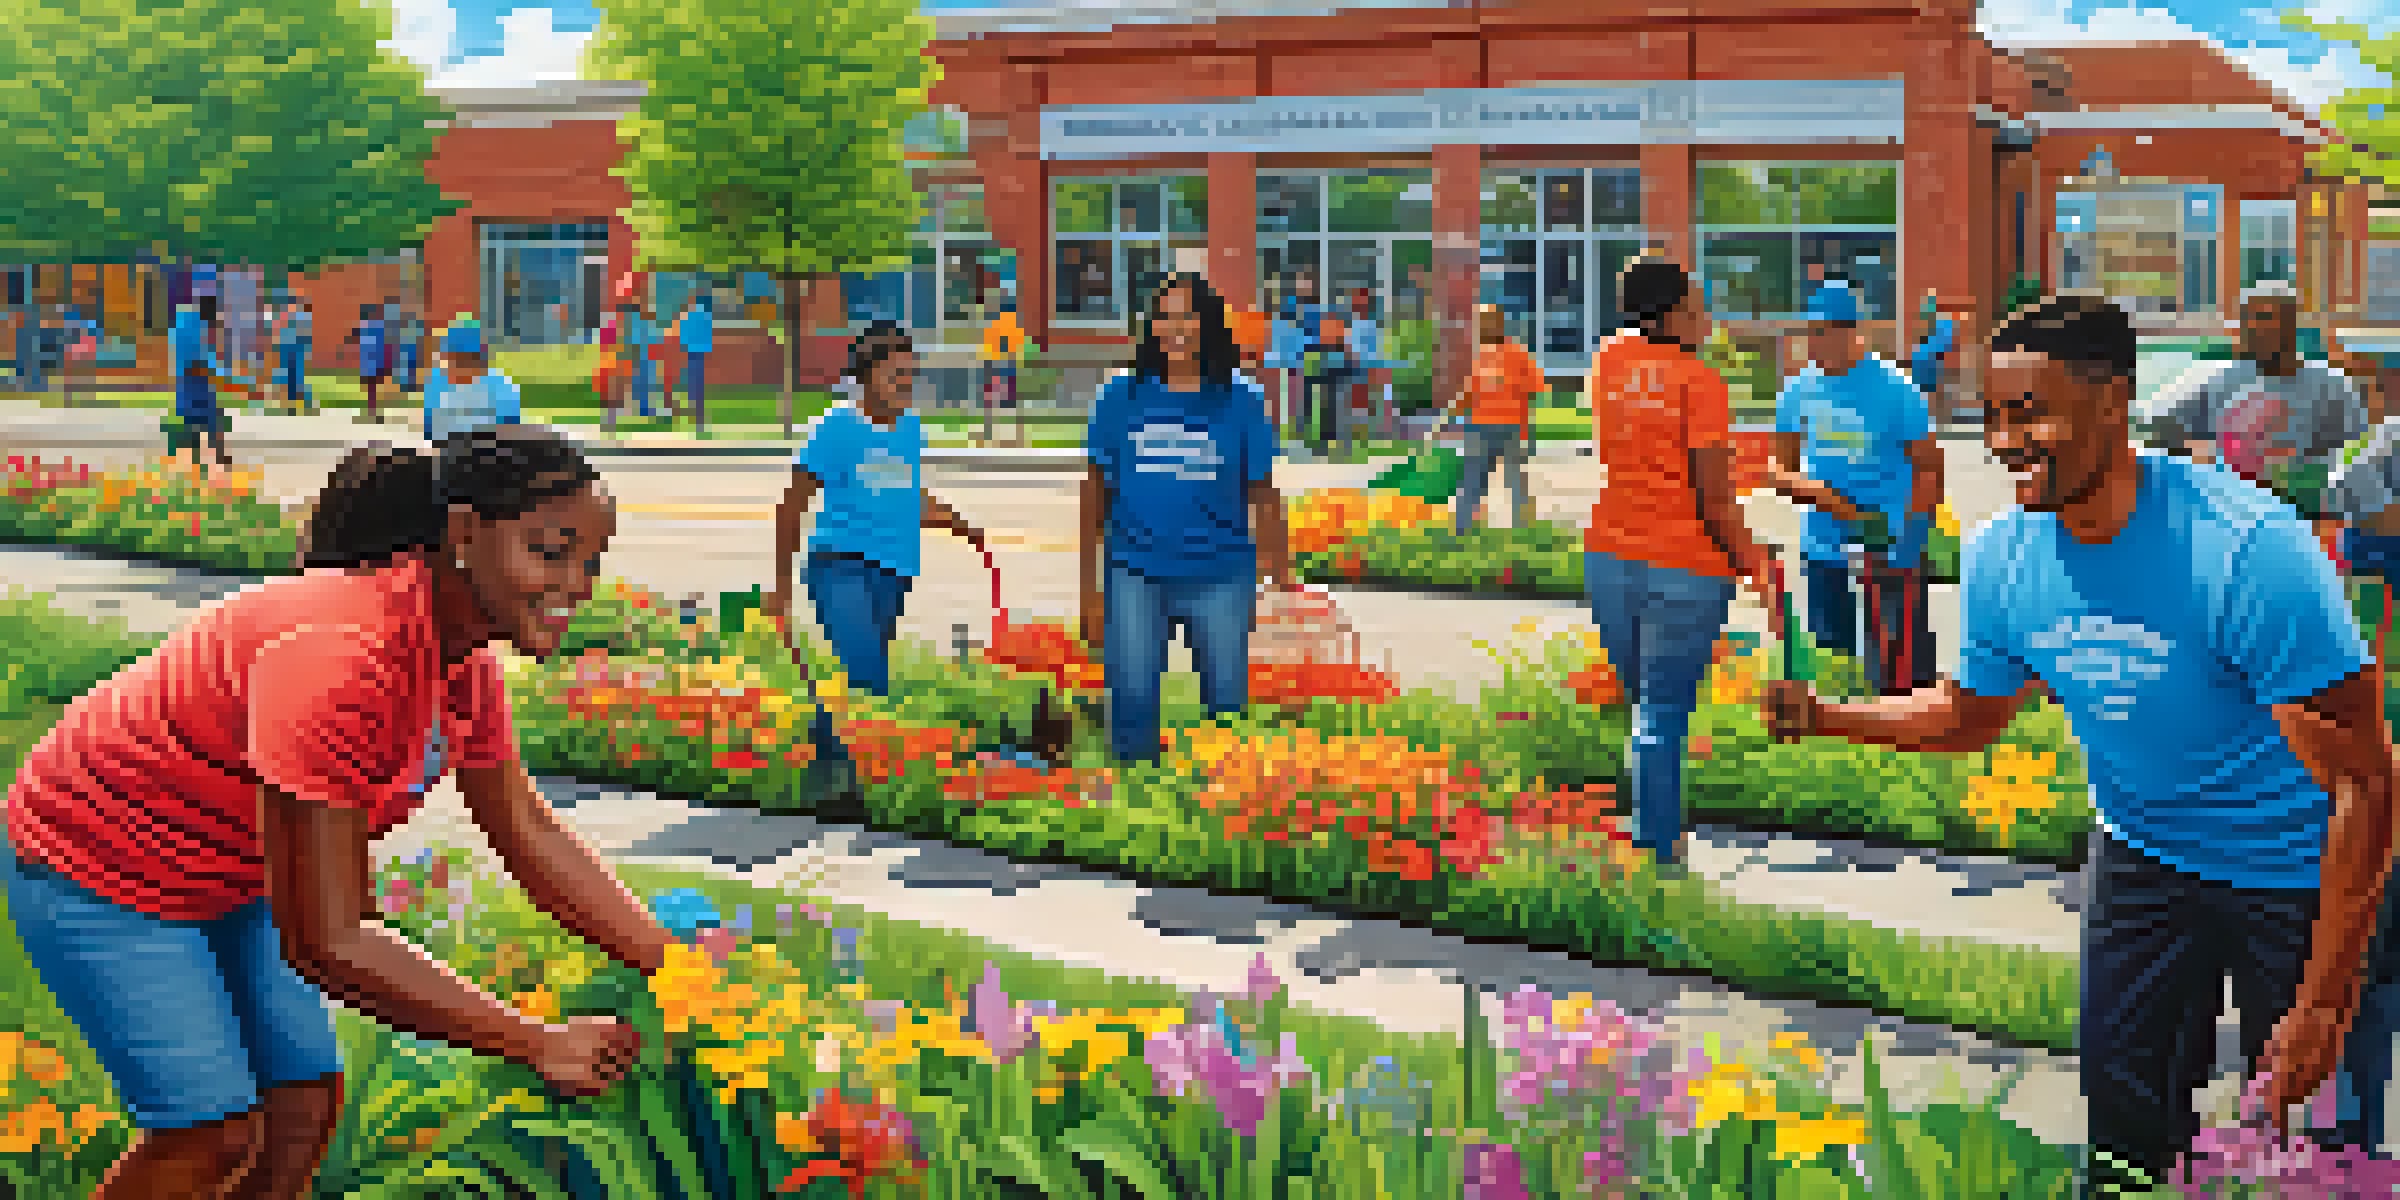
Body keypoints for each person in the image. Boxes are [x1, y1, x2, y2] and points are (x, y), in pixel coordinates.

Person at [1761, 293, 2399, 1193]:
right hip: (2145, 858)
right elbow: (1971, 716)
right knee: (2124, 1135)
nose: (2009, 440)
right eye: (1994, 417)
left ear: (2115, 403)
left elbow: (2368, 785)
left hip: (2295, 873)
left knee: (2311, 1145)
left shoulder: (2248, 553)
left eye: (2033, 412)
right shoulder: (2002, 559)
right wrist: (1828, 715)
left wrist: (2326, 999)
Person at [0, 426, 662, 1199]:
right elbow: (329, 941)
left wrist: (676, 965)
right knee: (207, 1133)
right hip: (101, 864)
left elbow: (528, 832)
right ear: (462, 535)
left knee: (302, 1108)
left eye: (591, 560)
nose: (578, 585)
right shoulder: (341, 658)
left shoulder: (462, 665)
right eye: (552, 553)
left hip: (231, 868)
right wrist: (536, 1043)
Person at [1585, 259, 1776, 869]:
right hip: (1685, 567)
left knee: (1643, 711)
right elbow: (1715, 498)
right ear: (1667, 316)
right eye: (1696, 309)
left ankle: (1651, 836)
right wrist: (1759, 570)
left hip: (1610, 557)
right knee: (1663, 714)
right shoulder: (1701, 383)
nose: (1708, 320)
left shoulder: (1607, 359)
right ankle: (1660, 857)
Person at [762, 322, 987, 806]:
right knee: (868, 676)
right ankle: (856, 784)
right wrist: (780, 583)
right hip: (838, 565)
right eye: (896, 374)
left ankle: (826, 769)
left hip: (894, 570)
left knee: (858, 678)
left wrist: (957, 522)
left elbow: (906, 495)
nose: (907, 383)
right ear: (866, 376)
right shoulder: (836, 427)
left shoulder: (910, 428)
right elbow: (793, 504)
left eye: (912, 373)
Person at [1081, 272, 1292, 764]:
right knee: (1131, 706)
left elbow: (1264, 493)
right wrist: (1092, 589)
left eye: (1189, 316)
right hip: (1134, 573)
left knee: (1225, 713)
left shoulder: (1242, 399)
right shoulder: (1120, 396)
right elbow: (1095, 492)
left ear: (1210, 325)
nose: (1177, 327)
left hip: (1220, 577)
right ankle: (1135, 807)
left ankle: (1221, 809)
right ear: (1152, 324)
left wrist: (1282, 580)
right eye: (1166, 315)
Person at [1767, 278, 1942, 696]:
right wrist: (1826, 499)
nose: (1812, 343)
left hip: (1889, 549)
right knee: (1834, 676)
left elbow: (1929, 470)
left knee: (1902, 679)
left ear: (1851, 331)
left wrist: (1912, 540)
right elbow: (1779, 468)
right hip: (1824, 549)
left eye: (1821, 332)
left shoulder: (1898, 392)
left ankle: (1908, 755)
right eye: (1809, 332)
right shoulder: (1797, 392)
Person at [2141, 279, 2367, 519]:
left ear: (2292, 324)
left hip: (2301, 517)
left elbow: (2355, 461)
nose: (2254, 327)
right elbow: (2163, 430)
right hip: (2228, 515)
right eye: (2248, 319)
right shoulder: (2223, 380)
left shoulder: (2332, 388)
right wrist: (2198, 453)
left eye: (2265, 317)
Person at [1452, 303, 1541, 534]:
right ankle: (1518, 529)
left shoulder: (1487, 354)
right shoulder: (1510, 353)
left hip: (1491, 425)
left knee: (1477, 478)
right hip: (1500, 425)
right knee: (1507, 479)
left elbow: (1468, 394)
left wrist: (1455, 413)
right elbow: (1534, 388)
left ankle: (1465, 528)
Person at [170, 303, 244, 473]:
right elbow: (196, 361)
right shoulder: (193, 327)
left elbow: (200, 357)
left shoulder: (187, 324)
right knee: (208, 417)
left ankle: (204, 457)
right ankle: (210, 456)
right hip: (194, 381)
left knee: (201, 418)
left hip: (192, 381)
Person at [422, 320, 522, 445]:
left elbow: (511, 431)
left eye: (470, 358)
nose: (463, 366)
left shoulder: (501, 386)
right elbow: (430, 432)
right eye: (456, 358)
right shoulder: (437, 382)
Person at [980, 297, 1028, 416]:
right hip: (1009, 359)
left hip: (996, 358)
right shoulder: (1015, 325)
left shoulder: (995, 324)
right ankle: (1007, 405)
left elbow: (988, 341)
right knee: (1008, 383)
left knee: (996, 382)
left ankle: (993, 404)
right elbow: (1019, 343)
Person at [344, 303, 391, 424]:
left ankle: (372, 413)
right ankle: (377, 414)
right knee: (375, 389)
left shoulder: (364, 326)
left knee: (371, 389)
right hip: (379, 363)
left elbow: (351, 339)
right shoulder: (383, 326)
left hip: (370, 364)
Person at [675, 291, 715, 425]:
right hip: (700, 352)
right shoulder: (706, 315)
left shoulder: (689, 315)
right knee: (698, 383)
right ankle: (699, 416)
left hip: (691, 351)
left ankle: (694, 414)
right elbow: (707, 334)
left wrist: (683, 346)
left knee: (692, 383)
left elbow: (684, 332)